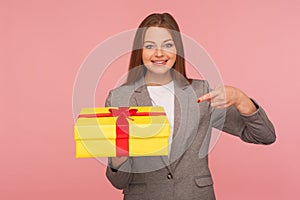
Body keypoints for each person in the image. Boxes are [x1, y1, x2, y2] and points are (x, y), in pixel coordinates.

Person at [104, 13, 276, 200]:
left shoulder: (201, 93)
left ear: (178, 50)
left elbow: (265, 135)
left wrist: (241, 99)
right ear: (140, 50)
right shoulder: (120, 98)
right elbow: (118, 182)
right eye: (150, 46)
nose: (159, 53)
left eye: (168, 45)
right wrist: (118, 160)